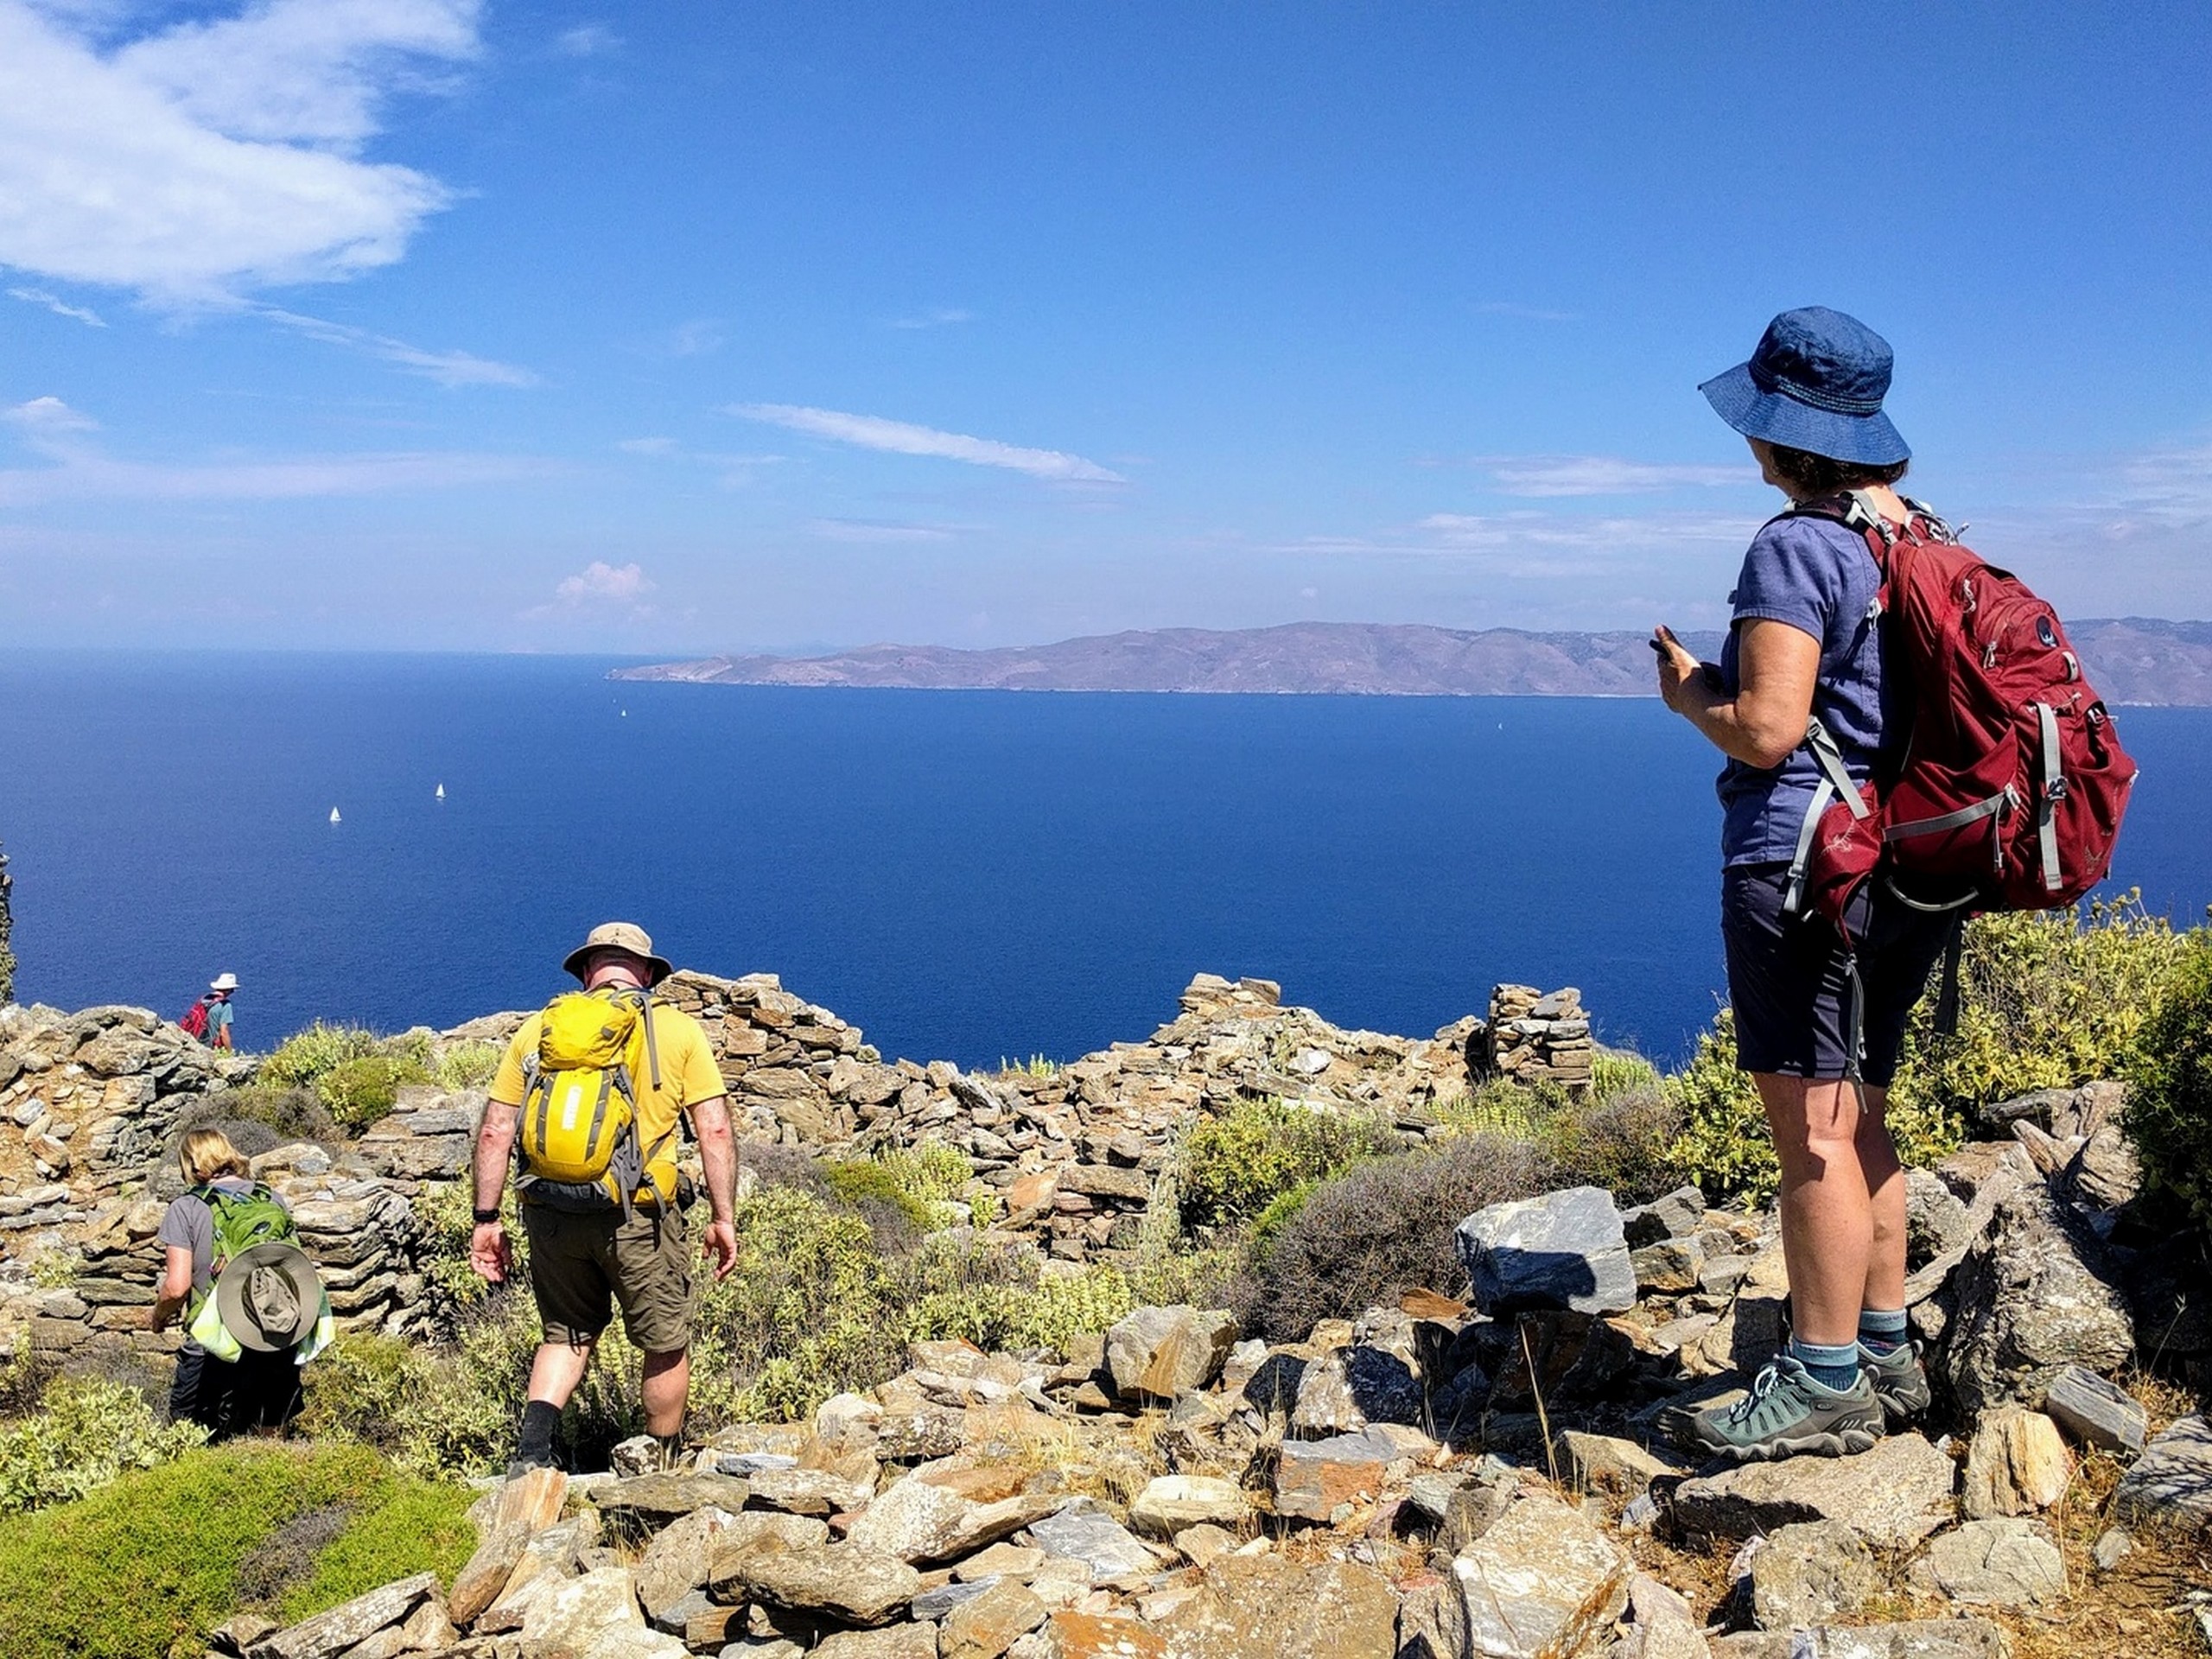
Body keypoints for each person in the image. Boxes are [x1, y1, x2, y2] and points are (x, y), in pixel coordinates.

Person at [1653, 306, 1954, 1462]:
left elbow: (1770, 729)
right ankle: (1883, 1348)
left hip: (1808, 869)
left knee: (1813, 1134)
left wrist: (1691, 693)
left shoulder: (1797, 545)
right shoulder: (1914, 536)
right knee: (1862, 1107)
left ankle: (1822, 1376)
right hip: (1910, 864)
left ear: (1776, 433)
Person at [468, 922, 741, 1473]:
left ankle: (532, 1459)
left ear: (588, 971)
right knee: (663, 1341)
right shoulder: (676, 1031)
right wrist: (723, 1216)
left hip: (551, 1213)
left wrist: (486, 1220)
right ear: (645, 972)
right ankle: (661, 1468)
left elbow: (496, 1130)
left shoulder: (540, 1030)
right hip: (639, 1215)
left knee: (566, 1335)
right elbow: (713, 1129)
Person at [151, 1127, 308, 1436]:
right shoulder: (270, 1198)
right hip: (271, 1333)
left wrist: (158, 1316)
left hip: (214, 1342)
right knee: (271, 1433)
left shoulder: (186, 1209)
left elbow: (177, 1286)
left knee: (189, 1436)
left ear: (193, 1165)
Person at [205, 973, 238, 1049]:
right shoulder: (225, 1005)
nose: (233, 992)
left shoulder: (205, 1000)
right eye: (232, 989)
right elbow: (224, 1032)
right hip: (212, 1046)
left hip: (198, 1043)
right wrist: (229, 1052)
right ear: (227, 990)